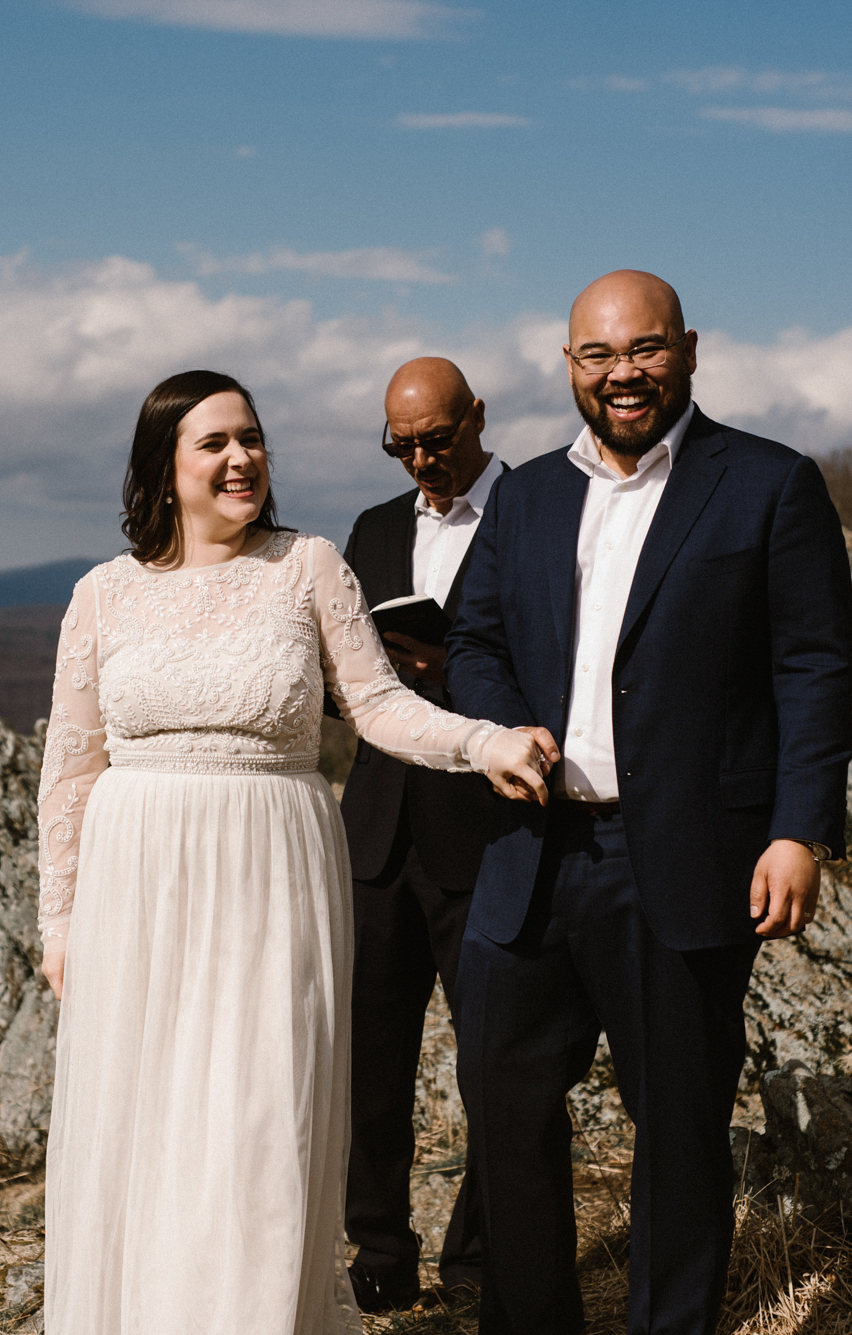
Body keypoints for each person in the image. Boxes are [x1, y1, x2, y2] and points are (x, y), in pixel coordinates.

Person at [35, 369, 560, 1335]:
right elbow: (70, 766)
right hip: (137, 887)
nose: (242, 458)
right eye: (214, 443)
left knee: (259, 1116)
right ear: (163, 467)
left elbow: (379, 704)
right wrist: (59, 921)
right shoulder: (102, 596)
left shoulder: (308, 564)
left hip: (271, 872)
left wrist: (482, 741)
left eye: (253, 438)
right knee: (148, 1121)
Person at [445, 271, 852, 1335]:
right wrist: (494, 730)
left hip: (676, 858)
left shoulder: (768, 484)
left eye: (642, 350)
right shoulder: (525, 495)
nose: (621, 374)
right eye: (597, 354)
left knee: (677, 1129)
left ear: (684, 349)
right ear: (569, 365)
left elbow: (812, 668)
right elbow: (474, 642)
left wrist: (795, 828)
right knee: (505, 1119)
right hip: (526, 856)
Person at [338, 357, 508, 1310]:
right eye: (400, 446)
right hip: (376, 831)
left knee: (496, 1060)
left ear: (477, 416)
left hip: (484, 836)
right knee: (371, 1060)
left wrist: (454, 669)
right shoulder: (369, 529)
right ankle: (380, 1250)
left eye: (436, 441)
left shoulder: (535, 515)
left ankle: (479, 1257)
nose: (419, 463)